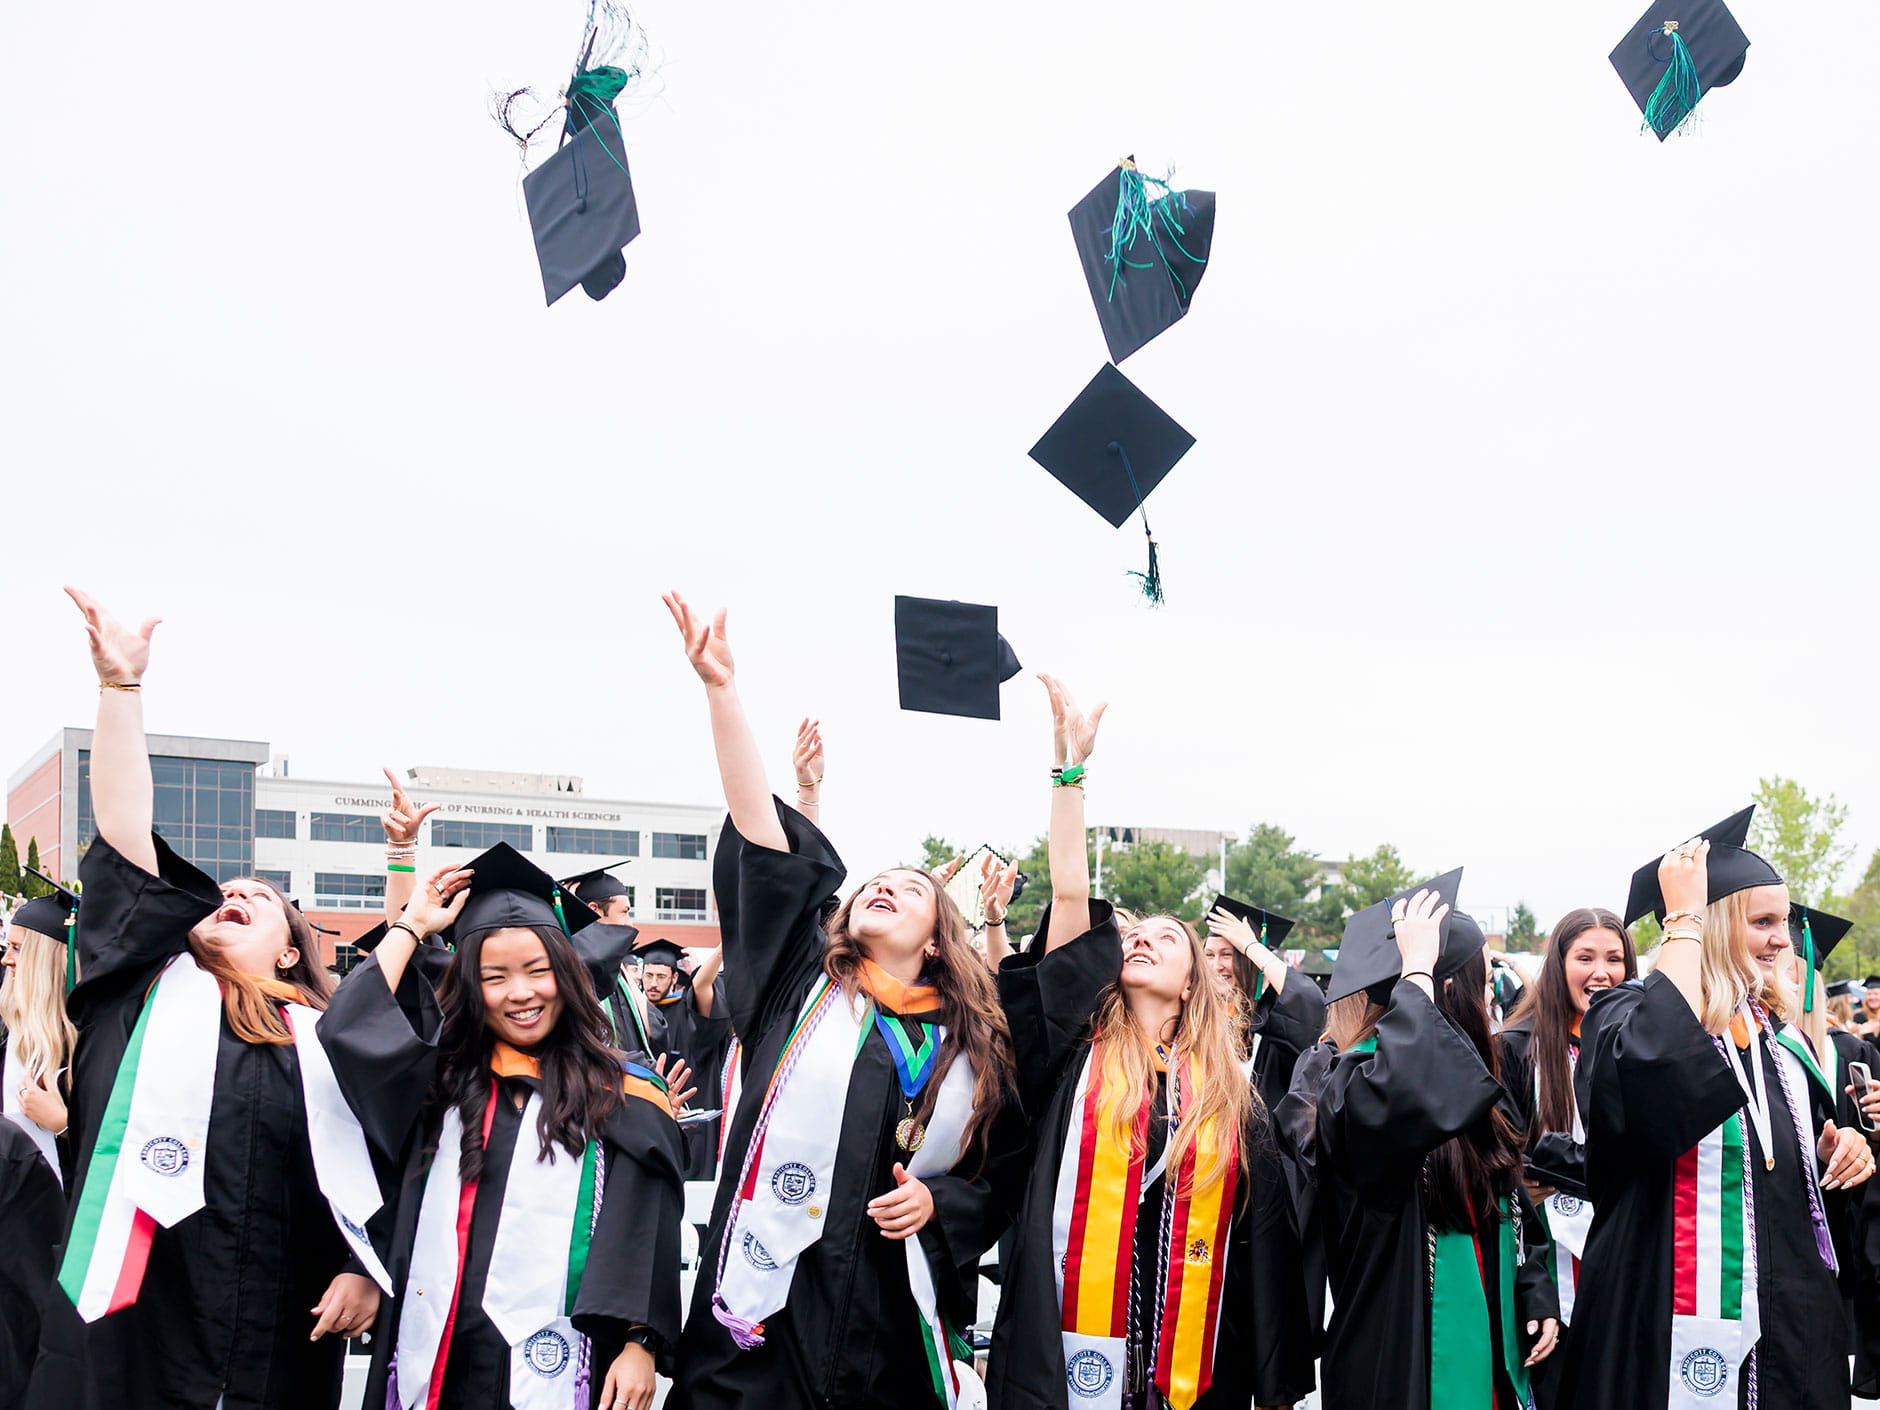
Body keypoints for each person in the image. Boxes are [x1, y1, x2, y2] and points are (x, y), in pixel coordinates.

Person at [662, 593, 1018, 1410]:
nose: (884, 886)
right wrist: (722, 691)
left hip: (888, 1326)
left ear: (936, 939)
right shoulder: (804, 987)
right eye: (873, 883)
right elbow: (763, 840)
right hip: (764, 1315)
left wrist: (941, 1201)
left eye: (908, 888)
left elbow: (1001, 1172)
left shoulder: (970, 1047)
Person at [30, 588, 381, 1410]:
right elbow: (122, 832)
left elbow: (387, 1166)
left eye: (257, 898)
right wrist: (121, 694)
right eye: (224, 891)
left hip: (277, 1343)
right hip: (130, 1334)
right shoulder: (139, 999)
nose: (233, 893)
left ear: (292, 949)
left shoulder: (328, 1044)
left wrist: (363, 1269)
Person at [987, 675, 1312, 1410]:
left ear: (1194, 982)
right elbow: (1071, 896)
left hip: (1193, 1350)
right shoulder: (1079, 1049)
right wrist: (1070, 772)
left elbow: (1261, 1242)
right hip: (1070, 1338)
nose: (1141, 940)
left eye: (1168, 939)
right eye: (1136, 934)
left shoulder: (1231, 1093)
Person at [318, 843, 686, 1410]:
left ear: (567, 975)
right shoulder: (440, 1077)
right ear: (469, 987)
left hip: (568, 1350)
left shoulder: (622, 1089)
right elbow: (348, 1027)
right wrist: (414, 923)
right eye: (495, 977)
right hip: (441, 1344)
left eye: (538, 971)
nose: (520, 993)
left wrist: (640, 1341)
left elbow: (647, 1222)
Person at [1557, 822, 1876, 1410]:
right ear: (1714, 923)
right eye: (1763, 923)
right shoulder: (1620, 1015)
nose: (1784, 941)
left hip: (1791, 1329)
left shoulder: (1777, 1041)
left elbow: (1779, 1178)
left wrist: (1837, 1152)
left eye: (1783, 922)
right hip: (1662, 1317)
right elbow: (1652, 1075)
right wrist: (1683, 923)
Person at [1311, 874, 1558, 1410]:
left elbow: (1514, 1209)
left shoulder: (1478, 1087)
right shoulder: (1354, 1081)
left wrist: (1534, 1289)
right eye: (1483, 976)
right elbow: (1404, 1093)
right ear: (1450, 989)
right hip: (1399, 1355)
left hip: (1490, 1347)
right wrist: (1416, 971)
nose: (1493, 990)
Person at [1496, 910, 1637, 1327]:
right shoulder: (1516, 1047)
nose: (1601, 973)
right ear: (1559, 966)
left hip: (1624, 1249)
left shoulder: (1638, 1049)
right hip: (1543, 1257)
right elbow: (1502, 1150)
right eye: (1585, 958)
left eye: (1614, 959)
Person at [1204, 898, 1327, 1109]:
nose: (1216, 966)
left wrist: (1251, 946)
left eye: (1227, 955)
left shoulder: (1271, 1022)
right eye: (1208, 955)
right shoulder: (1198, 1018)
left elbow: (1309, 1000)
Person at [1, 877, 78, 1184]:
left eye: (17, 948)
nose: (6, 959)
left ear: (46, 959)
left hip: (62, 1205)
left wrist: (63, 1124)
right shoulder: (7, 1024)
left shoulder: (90, 1038)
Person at [638, 936, 730, 1179]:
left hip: (693, 1122)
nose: (653, 983)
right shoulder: (635, 1012)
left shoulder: (690, 1012)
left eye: (660, 976)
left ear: (675, 977)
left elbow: (701, 987)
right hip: (649, 1118)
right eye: (648, 975)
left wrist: (721, 949)